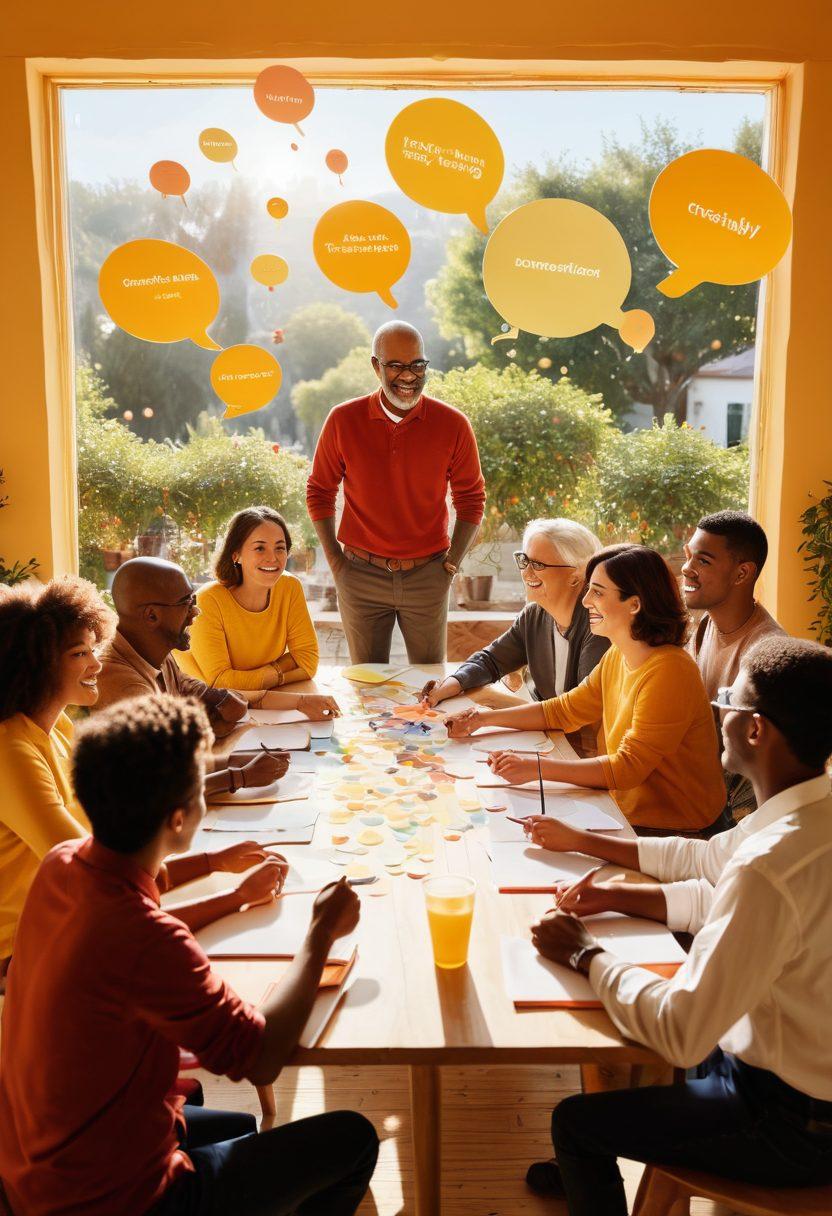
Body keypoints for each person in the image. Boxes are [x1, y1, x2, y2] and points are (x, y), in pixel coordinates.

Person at [0, 695, 378, 1216]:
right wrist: (319, 934)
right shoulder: (148, 939)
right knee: (353, 1139)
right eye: (202, 788)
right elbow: (261, 1056)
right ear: (179, 818)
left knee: (239, 1126)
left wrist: (225, 885)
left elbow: (131, 918)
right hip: (109, 1201)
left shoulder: (64, 864)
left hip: (32, 1160)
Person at [523, 636, 832, 1212]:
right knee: (650, 1064)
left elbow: (681, 1030)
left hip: (792, 1123)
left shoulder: (770, 866)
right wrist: (619, 895)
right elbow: (709, 868)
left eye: (727, 704)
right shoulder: (806, 813)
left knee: (576, 1122)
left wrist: (586, 954)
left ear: (755, 729)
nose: (719, 716)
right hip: (795, 1071)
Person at [0, 577, 287, 981]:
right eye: (80, 653)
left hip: (73, 916)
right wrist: (235, 898)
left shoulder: (57, 727)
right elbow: (101, 882)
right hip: (24, 952)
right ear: (36, 662)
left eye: (92, 648)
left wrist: (212, 862)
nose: (97, 664)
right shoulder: (11, 750)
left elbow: (111, 857)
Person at [445, 544, 727, 835]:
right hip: (624, 812)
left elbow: (627, 768)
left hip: (678, 830)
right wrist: (482, 720)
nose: (586, 601)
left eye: (598, 592)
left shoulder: (669, 670)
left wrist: (537, 768)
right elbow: (565, 710)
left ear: (635, 604)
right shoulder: (619, 654)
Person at [306, 320, 486, 664]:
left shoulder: (453, 424)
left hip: (428, 575)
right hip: (360, 575)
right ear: (376, 366)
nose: (408, 375)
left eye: (417, 364)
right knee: (366, 685)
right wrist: (336, 563)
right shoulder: (343, 420)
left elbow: (471, 499)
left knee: (430, 683)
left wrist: (450, 567)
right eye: (396, 366)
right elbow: (319, 490)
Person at [98, 555, 340, 797]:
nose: (196, 612)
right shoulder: (124, 686)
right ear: (151, 616)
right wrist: (241, 777)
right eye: (186, 603)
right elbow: (152, 792)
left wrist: (299, 702)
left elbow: (205, 693)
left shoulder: (154, 650)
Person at [420, 519, 607, 748]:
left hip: (586, 753)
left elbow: (580, 713)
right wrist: (451, 684)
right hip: (548, 739)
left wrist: (484, 716)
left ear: (577, 574)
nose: (526, 572)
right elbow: (490, 660)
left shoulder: (598, 627)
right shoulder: (534, 615)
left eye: (538, 565)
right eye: (524, 560)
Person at [682, 510, 785, 819]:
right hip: (697, 794)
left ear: (742, 574)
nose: (687, 569)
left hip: (736, 819)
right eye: (689, 557)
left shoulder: (766, 652)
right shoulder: (703, 627)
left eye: (703, 560)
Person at [175, 507, 320, 692]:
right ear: (236, 555)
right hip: (205, 707)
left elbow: (308, 661)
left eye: (280, 548)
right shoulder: (208, 600)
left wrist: (263, 677)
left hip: (261, 701)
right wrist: (283, 671)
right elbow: (221, 682)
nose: (272, 557)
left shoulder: (290, 587)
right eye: (260, 548)